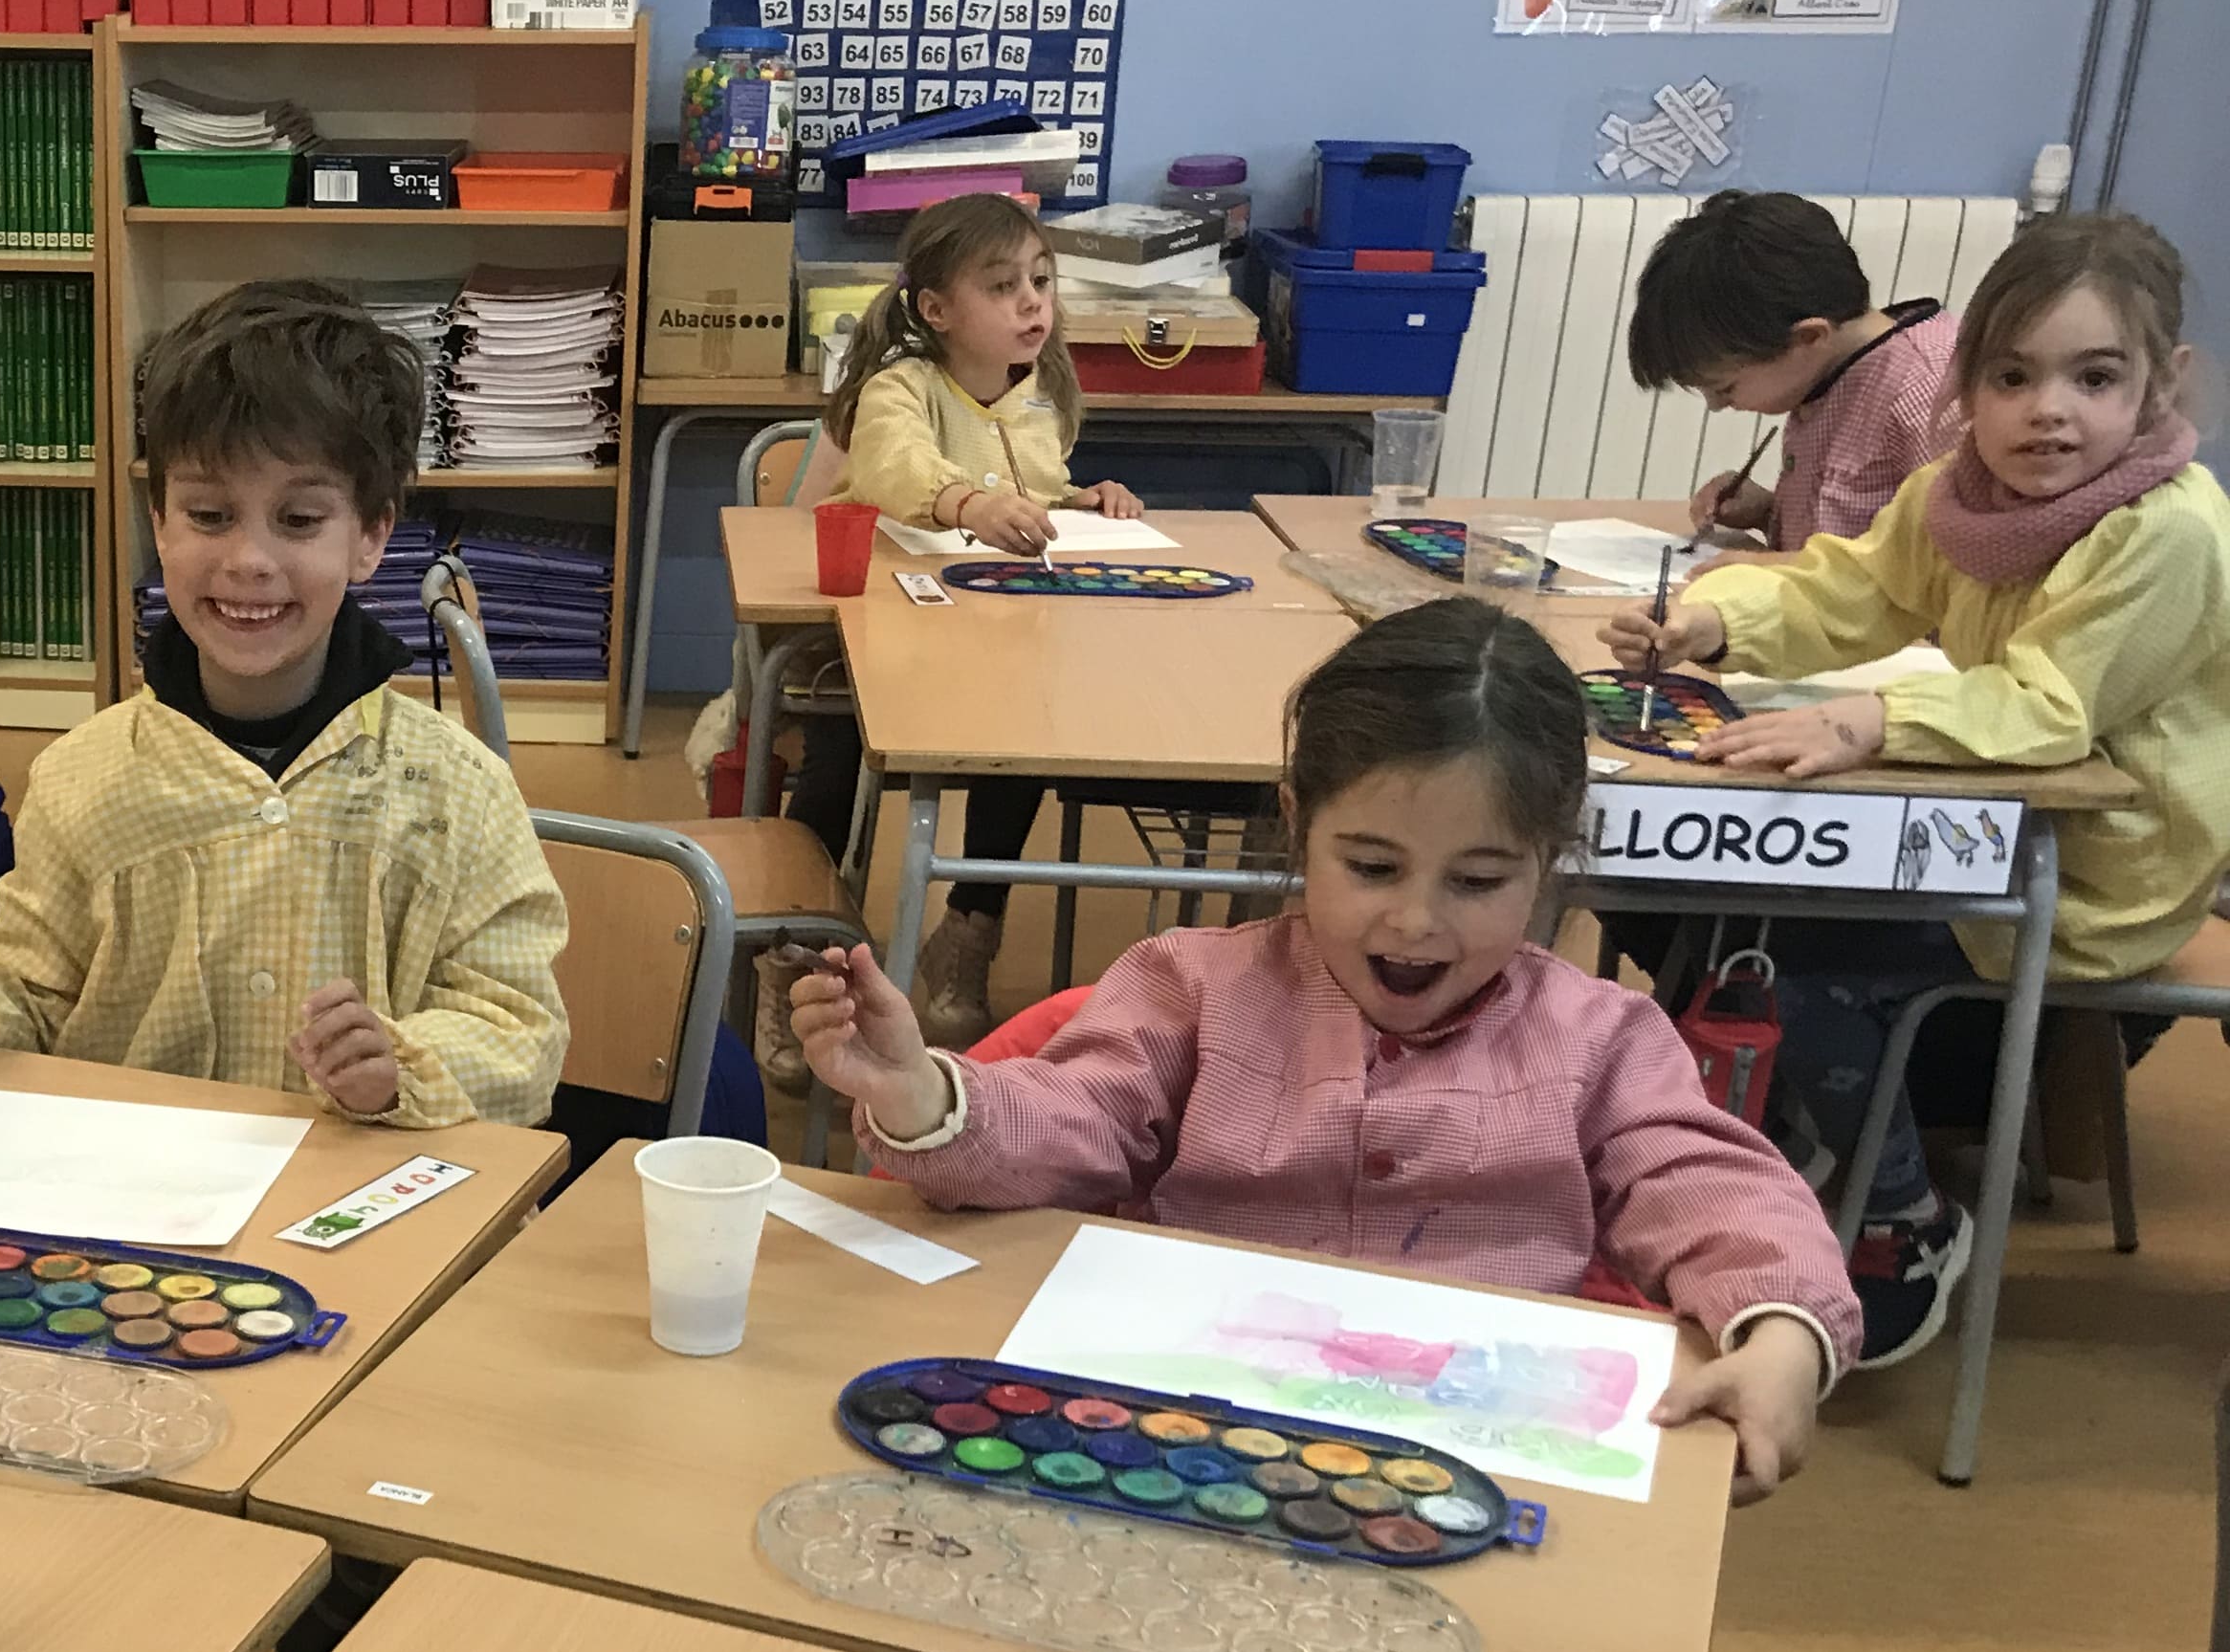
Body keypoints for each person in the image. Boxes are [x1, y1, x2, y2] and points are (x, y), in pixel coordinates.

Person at [791, 599, 1858, 1505]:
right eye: (1372, 867)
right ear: (1299, 822)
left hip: (1476, 1472)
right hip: (1189, 1449)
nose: (1416, 922)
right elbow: (1075, 1121)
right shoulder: (1191, 990)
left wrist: (1784, 1335)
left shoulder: (1600, 1038)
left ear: (1551, 854)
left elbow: (1713, 1185)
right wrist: (925, 1093)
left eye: (1479, 881)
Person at [1606, 210, 2230, 1367]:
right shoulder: (1963, 491)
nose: (2048, 411)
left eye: (2095, 378)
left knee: (1799, 969)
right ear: (1966, 386)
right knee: (1727, 912)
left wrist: (1871, 720)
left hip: (2098, 871)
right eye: (2012, 377)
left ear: (2163, 384)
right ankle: (1787, 1151)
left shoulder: (2168, 531)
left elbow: (2049, 709)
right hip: (1988, 827)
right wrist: (1710, 622)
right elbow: (1851, 591)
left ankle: (1904, 1222)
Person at [0, 280, 568, 1130]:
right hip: (140, 1191)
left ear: (371, 536)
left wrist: (401, 1068)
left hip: (361, 1192)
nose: (248, 560)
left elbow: (524, 1039)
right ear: (159, 522)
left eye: (299, 519)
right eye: (209, 515)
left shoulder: (460, 788)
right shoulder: (82, 777)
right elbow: (33, 1002)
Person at [792, 192, 1148, 1065]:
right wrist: (969, 503)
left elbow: (1037, 486)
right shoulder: (899, 388)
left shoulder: (1041, 396)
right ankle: (797, 960)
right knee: (836, 757)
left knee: (1021, 740)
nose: (1032, 303)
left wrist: (1084, 498)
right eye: (1002, 286)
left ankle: (969, 931)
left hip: (985, 634)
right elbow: (896, 467)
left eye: (1041, 282)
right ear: (937, 309)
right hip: (871, 639)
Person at [1625, 189, 1964, 552]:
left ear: (1808, 338)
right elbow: (1856, 525)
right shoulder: (1827, 372)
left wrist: (1775, 567)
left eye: (1725, 388)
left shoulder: (1928, 393)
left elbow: (1955, 564)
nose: (1717, 405)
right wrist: (1768, 512)